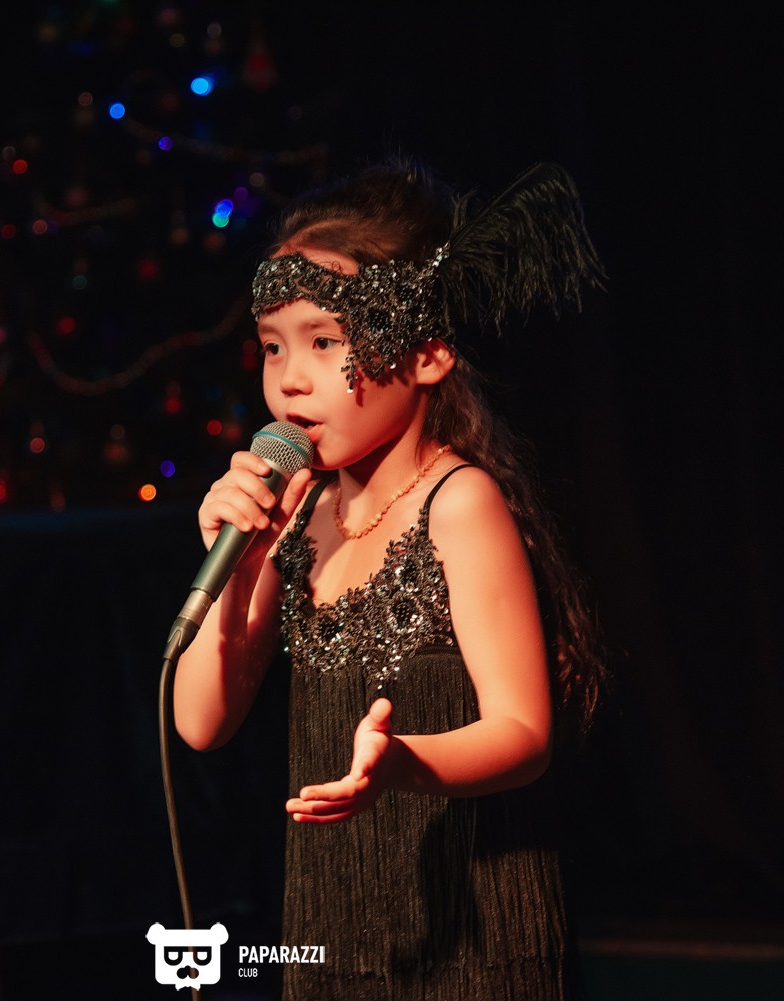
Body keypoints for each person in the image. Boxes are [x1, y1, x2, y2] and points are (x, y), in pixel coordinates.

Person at [172, 156, 608, 1000]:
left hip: (468, 930)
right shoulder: (298, 512)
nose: (290, 378)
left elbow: (524, 730)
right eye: (272, 347)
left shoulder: (458, 502)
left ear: (429, 353)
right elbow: (200, 722)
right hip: (337, 923)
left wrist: (402, 762)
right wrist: (237, 573)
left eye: (324, 342)